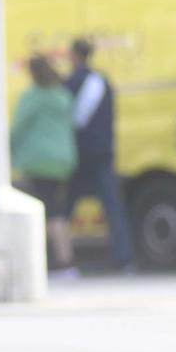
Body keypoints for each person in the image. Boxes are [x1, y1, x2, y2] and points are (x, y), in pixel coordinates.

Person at [64, 37, 133, 273]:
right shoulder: (101, 80)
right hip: (103, 152)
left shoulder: (71, 82)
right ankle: (123, 258)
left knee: (64, 209)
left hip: (80, 154)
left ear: (74, 55)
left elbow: (70, 119)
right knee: (112, 207)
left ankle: (58, 258)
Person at [12, 54, 79, 278]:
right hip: (64, 161)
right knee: (58, 212)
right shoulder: (62, 95)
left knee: (50, 214)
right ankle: (65, 260)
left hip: (40, 161)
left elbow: (18, 128)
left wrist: (7, 152)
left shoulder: (32, 97)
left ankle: (62, 262)